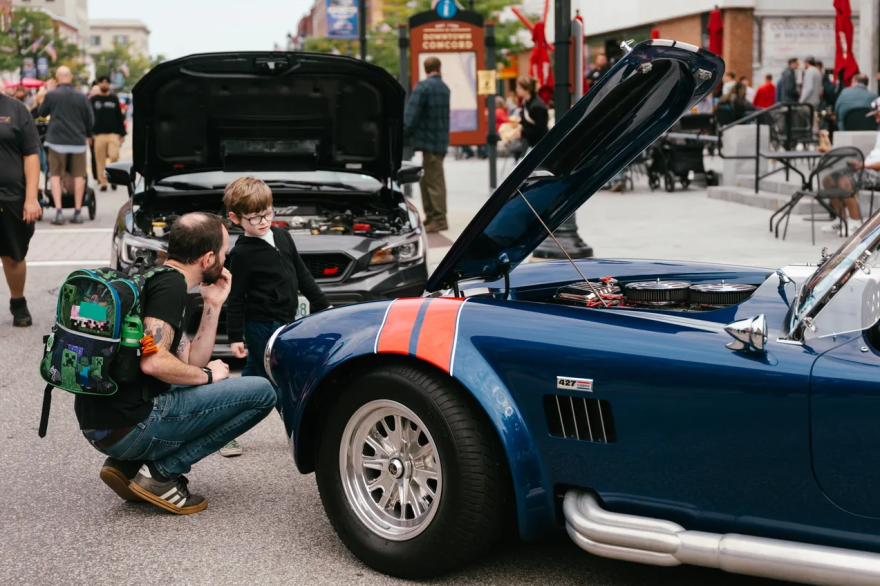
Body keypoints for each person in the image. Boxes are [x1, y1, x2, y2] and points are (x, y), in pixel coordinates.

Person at [78, 212, 277, 514]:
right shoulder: (170, 290)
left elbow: (188, 360)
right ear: (208, 258)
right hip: (130, 427)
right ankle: (162, 473)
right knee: (262, 392)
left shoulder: (156, 279)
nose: (226, 259)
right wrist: (209, 375)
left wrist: (213, 304)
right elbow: (154, 363)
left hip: (102, 427)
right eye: (224, 253)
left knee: (188, 378)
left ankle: (127, 466)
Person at [223, 177, 330, 457]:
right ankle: (299, 432)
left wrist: (323, 305)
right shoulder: (242, 253)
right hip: (260, 326)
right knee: (276, 380)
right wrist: (235, 336)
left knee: (257, 376)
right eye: (254, 217)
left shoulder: (282, 236)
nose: (263, 221)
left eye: (268, 213)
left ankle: (225, 431)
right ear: (235, 218)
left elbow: (302, 275)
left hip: (285, 322)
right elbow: (236, 298)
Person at [0, 91, 42, 327]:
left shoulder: (16, 109)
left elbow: (31, 156)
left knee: (13, 256)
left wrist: (31, 198)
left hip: (11, 198)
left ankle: (18, 302)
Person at [38, 66, 94, 225]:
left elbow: (42, 113)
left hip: (56, 141)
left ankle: (59, 212)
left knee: (55, 175)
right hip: (77, 141)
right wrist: (87, 135)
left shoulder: (52, 94)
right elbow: (90, 120)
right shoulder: (82, 96)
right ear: (70, 77)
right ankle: (77, 212)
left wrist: (49, 90)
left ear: (57, 77)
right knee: (79, 176)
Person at [403, 56, 450, 233]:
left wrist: (404, 132)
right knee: (430, 180)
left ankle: (438, 219)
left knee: (432, 182)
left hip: (427, 141)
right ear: (439, 67)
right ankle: (432, 217)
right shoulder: (444, 88)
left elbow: (411, 115)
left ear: (425, 68)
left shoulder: (423, 87)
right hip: (440, 141)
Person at [90, 76, 126, 192]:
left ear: (109, 85)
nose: (104, 84)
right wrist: (89, 134)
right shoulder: (93, 100)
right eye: (102, 82)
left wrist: (122, 133)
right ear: (99, 84)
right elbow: (89, 118)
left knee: (114, 156)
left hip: (113, 134)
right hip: (98, 135)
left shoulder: (113, 99)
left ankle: (114, 179)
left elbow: (119, 117)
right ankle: (103, 182)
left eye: (107, 82)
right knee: (99, 160)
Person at [515, 76, 548, 153]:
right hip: (531, 143)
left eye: (519, 87)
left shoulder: (537, 106)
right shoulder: (526, 102)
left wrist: (522, 133)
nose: (516, 89)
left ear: (526, 90)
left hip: (539, 144)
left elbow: (540, 129)